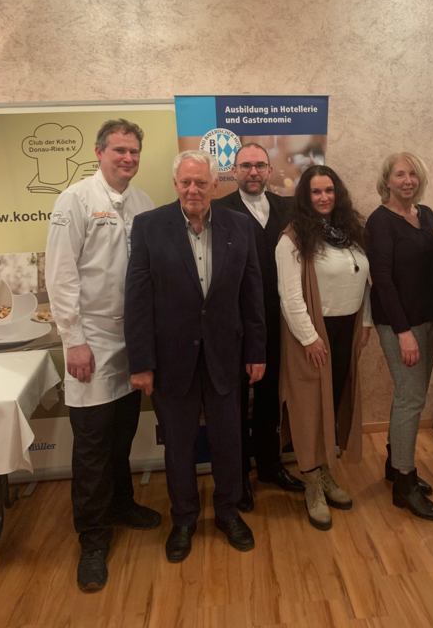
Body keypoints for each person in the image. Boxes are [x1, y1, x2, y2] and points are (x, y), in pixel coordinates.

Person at [124, 150, 266, 563]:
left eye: (201, 183)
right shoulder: (149, 226)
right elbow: (137, 299)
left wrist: (257, 350)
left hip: (225, 354)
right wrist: (141, 362)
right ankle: (184, 519)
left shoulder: (239, 225)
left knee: (228, 441)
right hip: (171, 359)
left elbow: (251, 292)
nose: (193, 190)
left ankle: (228, 512)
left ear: (215, 185)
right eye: (185, 182)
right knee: (179, 446)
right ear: (175, 184)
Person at [45, 119, 161, 593]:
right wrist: (73, 340)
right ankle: (93, 540)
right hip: (90, 338)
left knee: (122, 434)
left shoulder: (144, 203)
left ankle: (121, 504)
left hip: (132, 339)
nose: (128, 158)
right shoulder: (74, 200)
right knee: (92, 445)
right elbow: (60, 275)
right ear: (99, 152)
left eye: (134, 151)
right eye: (119, 150)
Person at [276, 165, 371, 531]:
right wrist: (308, 337)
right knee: (308, 410)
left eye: (329, 190)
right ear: (305, 196)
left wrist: (365, 324)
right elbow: (290, 296)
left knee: (331, 404)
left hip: (346, 331)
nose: (324, 197)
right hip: (313, 335)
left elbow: (366, 281)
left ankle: (326, 471)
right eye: (316, 191)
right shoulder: (293, 238)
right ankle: (312, 483)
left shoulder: (351, 233)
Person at [213, 143, 305, 512]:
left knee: (269, 399)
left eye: (260, 166)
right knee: (235, 404)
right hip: (234, 325)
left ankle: (270, 466)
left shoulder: (288, 208)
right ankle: (238, 478)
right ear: (234, 171)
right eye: (246, 166)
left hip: (279, 320)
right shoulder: (219, 211)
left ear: (269, 170)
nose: (253, 172)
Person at [366, 153, 433, 522]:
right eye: (399, 174)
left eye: (413, 173)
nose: (407, 180)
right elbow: (382, 281)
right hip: (401, 325)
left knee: (410, 396)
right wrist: (403, 333)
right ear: (387, 180)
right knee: (411, 398)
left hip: (429, 320)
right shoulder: (380, 221)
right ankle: (404, 481)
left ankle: (393, 463)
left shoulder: (426, 215)